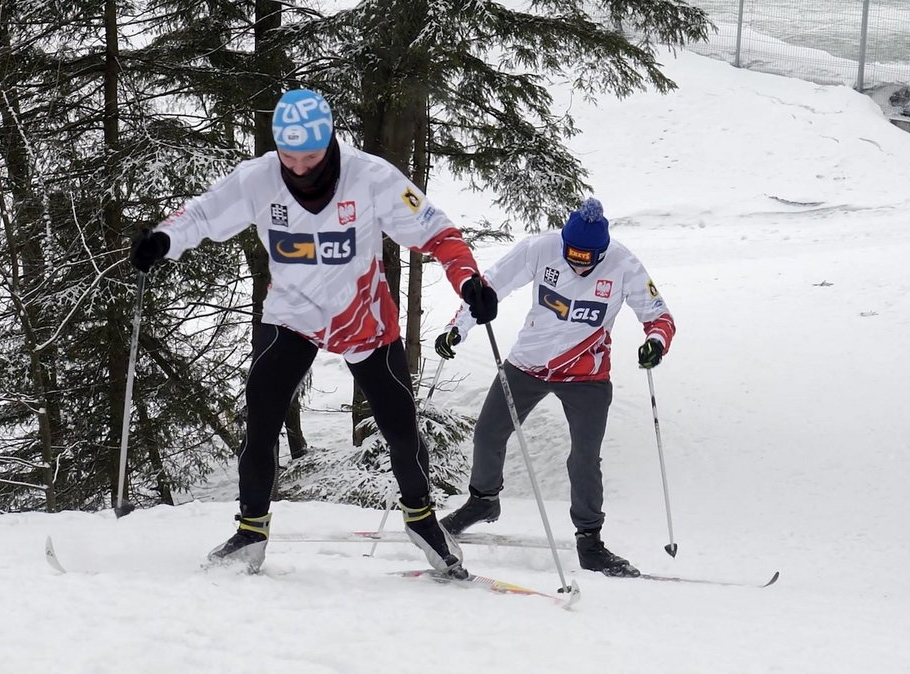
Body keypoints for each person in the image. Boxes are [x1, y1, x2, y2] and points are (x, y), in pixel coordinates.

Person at [129, 89, 499, 576]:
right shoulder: (258, 178)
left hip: (362, 316)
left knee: (400, 427)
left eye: (311, 156)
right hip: (293, 314)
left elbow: (438, 233)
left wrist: (469, 281)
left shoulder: (371, 176)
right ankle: (251, 533)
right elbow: (202, 215)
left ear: (329, 142)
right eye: (289, 155)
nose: (299, 168)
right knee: (261, 417)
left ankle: (422, 520)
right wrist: (163, 240)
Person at [433, 197, 675, 577]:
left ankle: (590, 542)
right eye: (573, 253)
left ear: (603, 251)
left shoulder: (624, 264)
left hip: (587, 375)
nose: (580, 261)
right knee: (488, 433)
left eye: (589, 256)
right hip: (528, 363)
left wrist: (656, 343)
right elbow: (486, 287)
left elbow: (658, 315)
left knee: (583, 459)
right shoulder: (540, 248)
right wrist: (456, 329)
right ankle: (483, 501)